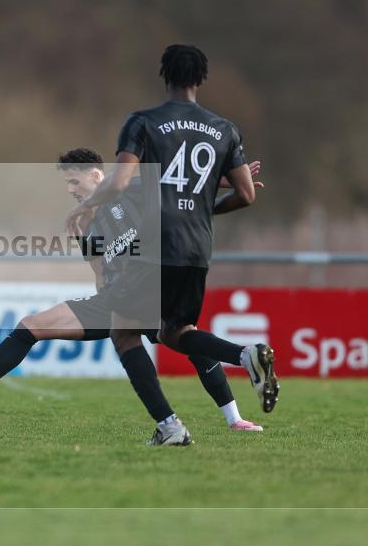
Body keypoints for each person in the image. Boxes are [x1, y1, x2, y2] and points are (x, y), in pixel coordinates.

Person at [0, 148, 265, 432]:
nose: (70, 189)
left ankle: (233, 417)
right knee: (31, 326)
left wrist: (228, 180)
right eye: (66, 183)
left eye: (74, 180)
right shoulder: (84, 222)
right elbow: (98, 269)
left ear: (96, 175)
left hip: (152, 285)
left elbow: (184, 186)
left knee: (190, 343)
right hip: (116, 296)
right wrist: (103, 293)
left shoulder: (133, 189)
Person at [66, 44, 280, 446]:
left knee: (125, 333)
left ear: (164, 75)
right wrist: (201, 210)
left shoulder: (143, 122)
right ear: (201, 79)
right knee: (176, 332)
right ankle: (244, 355)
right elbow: (247, 194)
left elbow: (119, 182)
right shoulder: (225, 129)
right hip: (197, 248)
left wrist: (83, 209)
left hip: (155, 245)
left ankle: (169, 427)